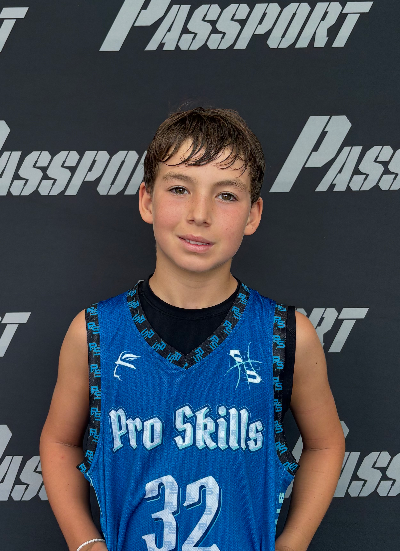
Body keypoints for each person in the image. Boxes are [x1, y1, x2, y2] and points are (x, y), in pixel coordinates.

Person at [40, 107, 345, 551]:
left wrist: (292, 544)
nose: (200, 214)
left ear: (253, 214)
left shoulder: (285, 334)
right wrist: (85, 543)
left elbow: (325, 444)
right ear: (147, 200)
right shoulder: (95, 332)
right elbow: (59, 440)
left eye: (227, 195)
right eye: (180, 188)